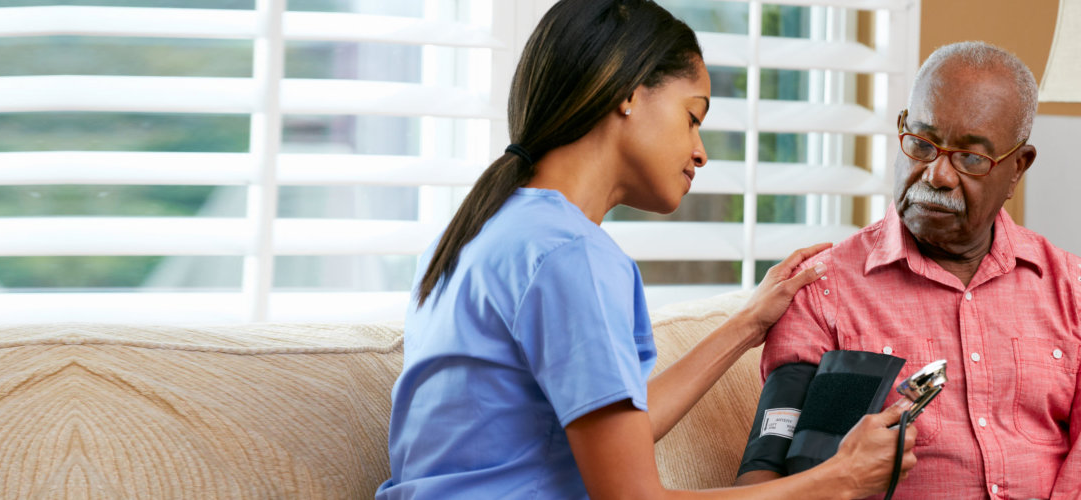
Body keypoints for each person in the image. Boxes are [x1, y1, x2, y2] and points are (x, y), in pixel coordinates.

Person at [378, 1, 915, 498]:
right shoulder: (571, 257)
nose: (700, 153)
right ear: (630, 93)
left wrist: (748, 325)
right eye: (693, 117)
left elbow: (613, 438)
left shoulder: (479, 234)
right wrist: (838, 479)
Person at [736, 42, 1081, 499]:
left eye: (970, 158)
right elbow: (768, 471)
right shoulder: (822, 291)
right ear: (902, 129)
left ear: (1017, 168)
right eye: (921, 143)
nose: (937, 174)